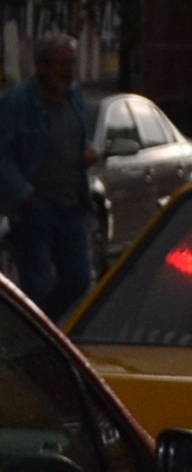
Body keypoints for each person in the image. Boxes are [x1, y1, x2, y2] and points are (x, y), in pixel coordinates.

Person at [0, 32, 98, 315]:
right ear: (41, 66)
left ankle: (48, 331)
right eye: (60, 64)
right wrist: (25, 194)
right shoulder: (18, 103)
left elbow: (79, 138)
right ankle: (35, 341)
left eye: (71, 63)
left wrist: (88, 152)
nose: (67, 71)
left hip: (70, 205)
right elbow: (3, 156)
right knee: (38, 285)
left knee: (79, 280)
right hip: (36, 208)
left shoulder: (74, 97)